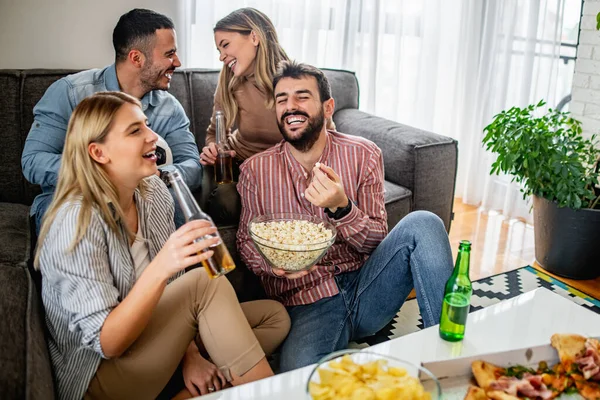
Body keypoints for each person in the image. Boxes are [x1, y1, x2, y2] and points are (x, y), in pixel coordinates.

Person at [35, 92, 290, 400]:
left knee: (274, 317)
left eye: (146, 125)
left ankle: (188, 390)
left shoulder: (152, 190)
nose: (152, 137)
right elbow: (108, 343)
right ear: (99, 152)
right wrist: (162, 266)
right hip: (100, 375)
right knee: (204, 284)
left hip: (150, 341)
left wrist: (191, 355)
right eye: (135, 131)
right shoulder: (76, 221)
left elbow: (172, 292)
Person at [236, 60, 454, 372]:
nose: (290, 107)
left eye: (302, 96)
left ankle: (448, 354)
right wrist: (271, 265)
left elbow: (377, 240)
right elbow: (245, 241)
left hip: (368, 286)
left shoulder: (363, 154)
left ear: (328, 107)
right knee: (297, 386)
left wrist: (342, 208)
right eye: (282, 99)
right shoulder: (256, 171)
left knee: (424, 223)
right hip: (307, 303)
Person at [22, 8, 202, 233]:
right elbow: (33, 161)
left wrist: (158, 176)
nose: (177, 62)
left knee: (181, 208)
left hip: (149, 198)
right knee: (81, 214)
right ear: (136, 58)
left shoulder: (169, 107)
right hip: (77, 197)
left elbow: (193, 166)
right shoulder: (69, 92)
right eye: (169, 54)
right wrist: (108, 173)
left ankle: (181, 268)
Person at [200, 8, 334, 225]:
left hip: (281, 168)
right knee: (226, 200)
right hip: (237, 164)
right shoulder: (229, 80)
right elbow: (214, 133)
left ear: (254, 36)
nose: (221, 56)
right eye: (218, 49)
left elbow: (327, 134)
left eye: (225, 45)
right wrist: (213, 149)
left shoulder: (296, 82)